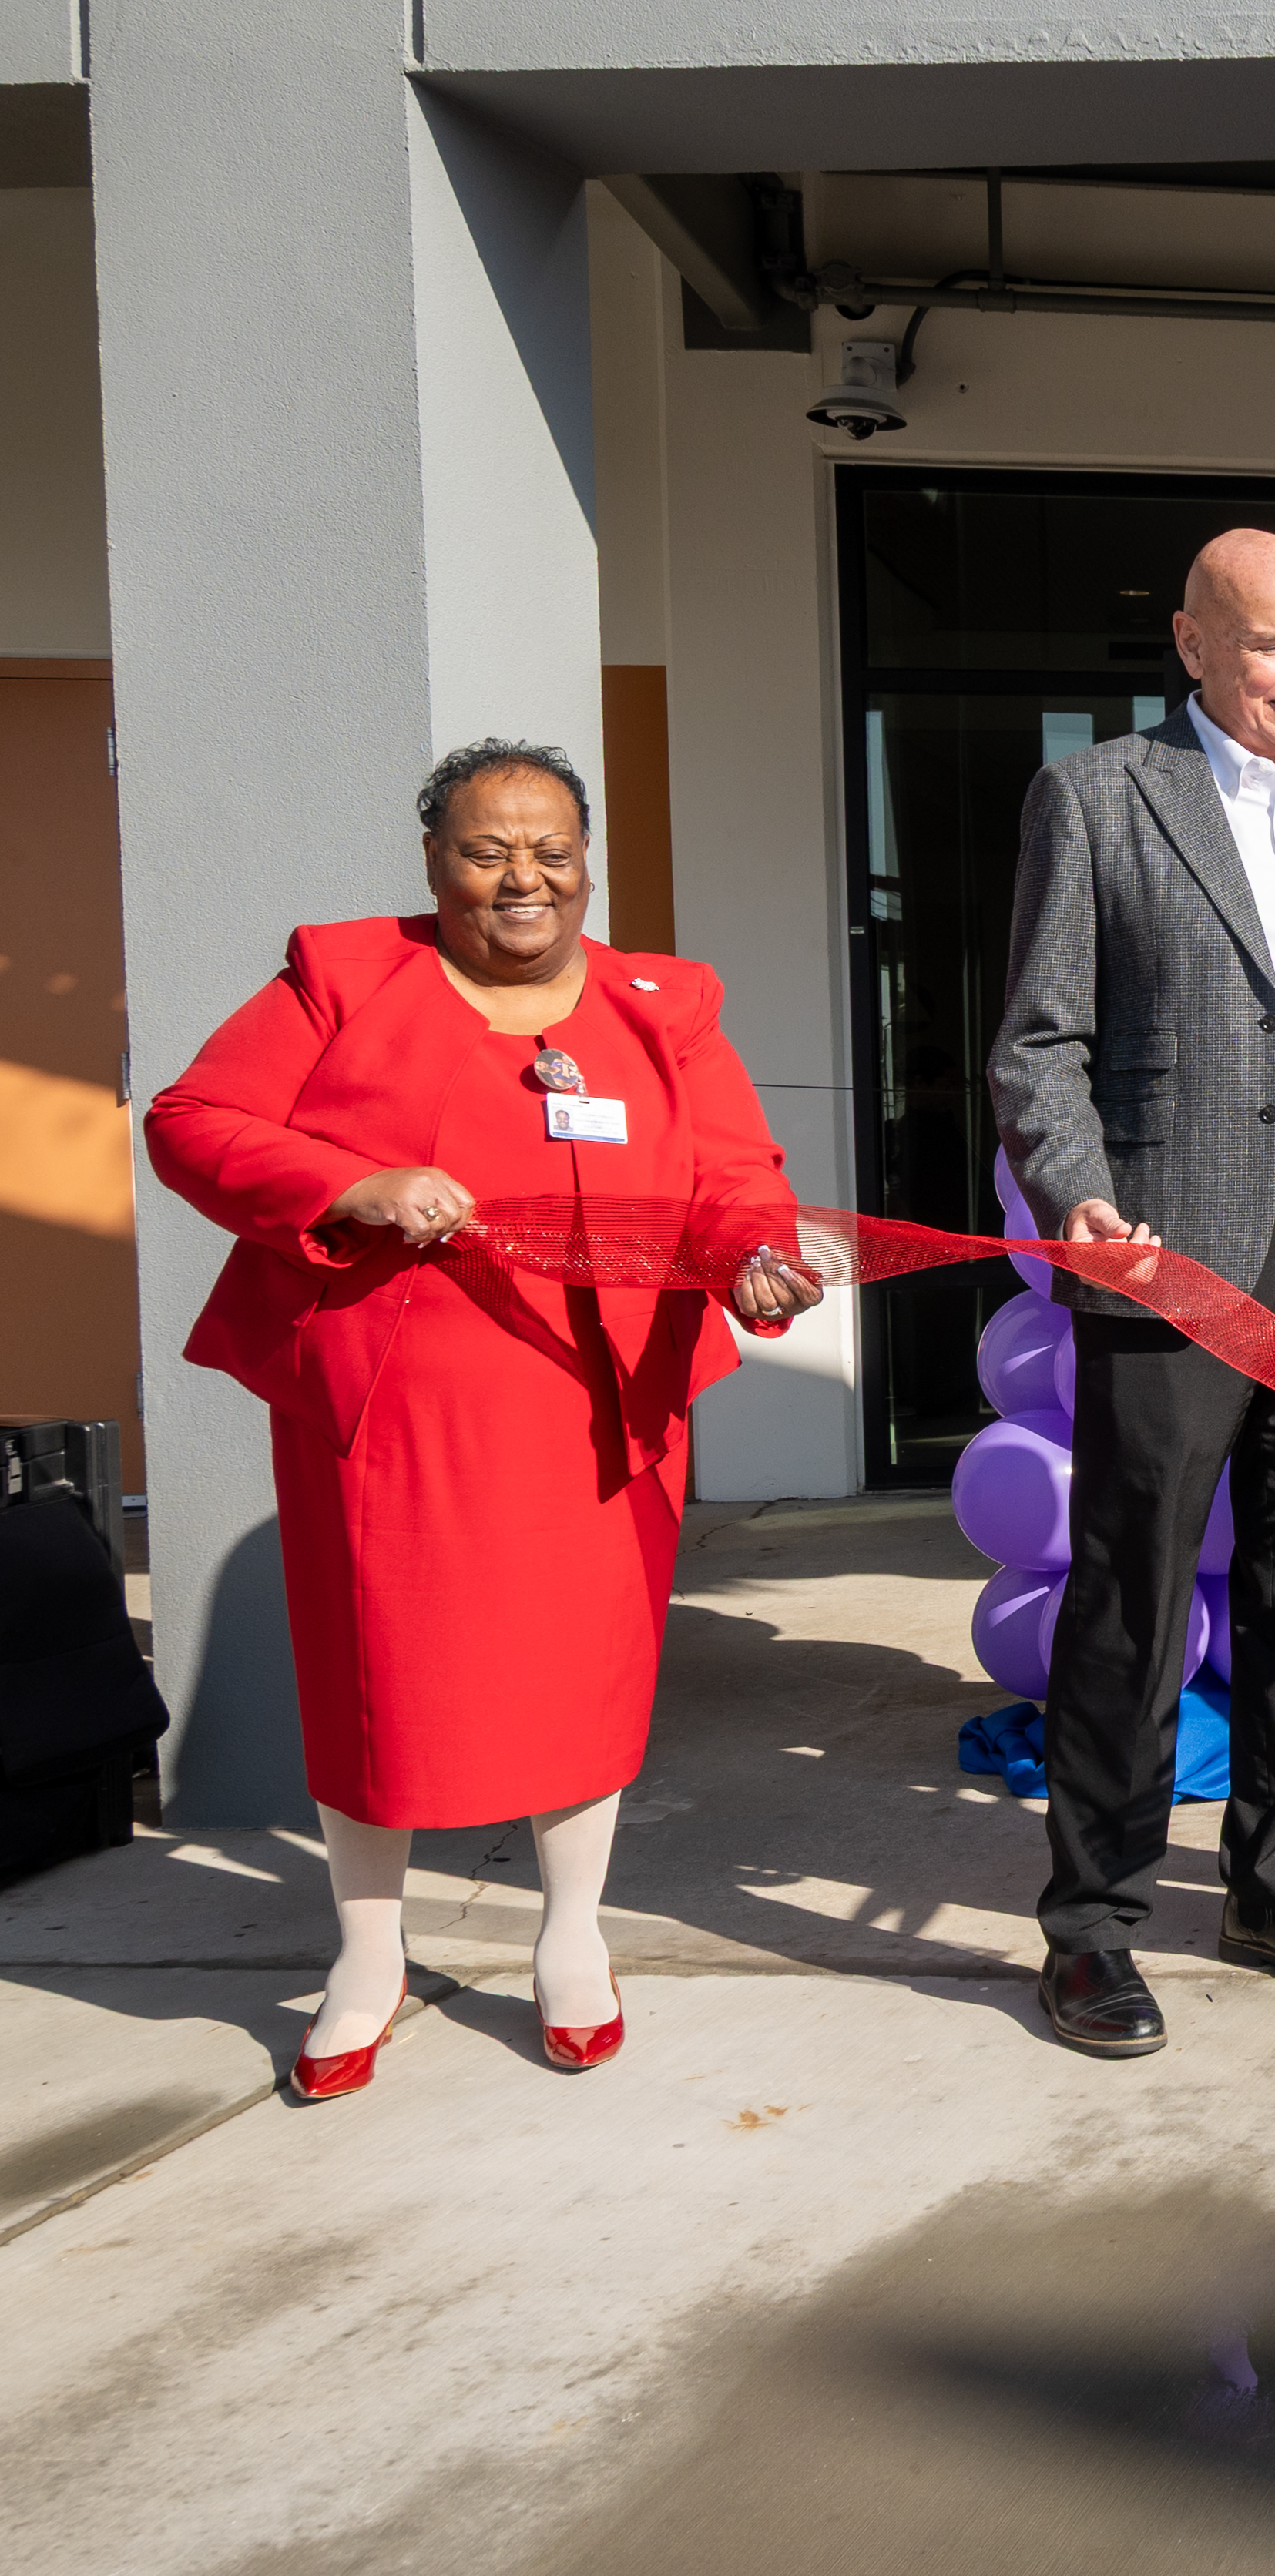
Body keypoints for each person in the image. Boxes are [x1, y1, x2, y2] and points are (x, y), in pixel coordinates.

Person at [146, 739, 820, 2100]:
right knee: (380, 1680)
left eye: (552, 850)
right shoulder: (343, 978)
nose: (524, 878)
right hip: (392, 1407)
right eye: (487, 849)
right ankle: (369, 1955)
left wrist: (752, 1249)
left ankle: (572, 1937)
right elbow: (192, 1120)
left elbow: (736, 1171)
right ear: (433, 860)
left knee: (581, 1666)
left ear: (587, 859)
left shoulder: (662, 1001)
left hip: (595, 1398)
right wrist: (353, 1181)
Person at [991, 527, 1275, 2058]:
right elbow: (1037, 1040)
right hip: (1167, 1257)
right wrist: (1073, 1186)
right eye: (1264, 645)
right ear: (1191, 646)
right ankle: (1094, 1923)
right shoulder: (1102, 796)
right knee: (1131, 1588)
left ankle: (1274, 1881)